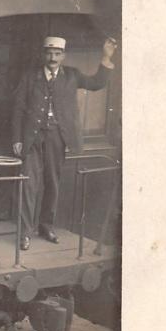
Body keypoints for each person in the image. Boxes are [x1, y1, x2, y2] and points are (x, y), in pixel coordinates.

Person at [12, 36, 117, 250]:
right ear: (44, 54)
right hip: (32, 138)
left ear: (63, 56)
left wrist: (106, 57)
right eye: (49, 53)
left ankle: (46, 226)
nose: (53, 57)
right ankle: (25, 232)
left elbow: (97, 83)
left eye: (57, 54)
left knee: (53, 182)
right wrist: (17, 139)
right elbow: (18, 109)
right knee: (28, 184)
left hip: (57, 138)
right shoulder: (30, 77)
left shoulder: (72, 75)